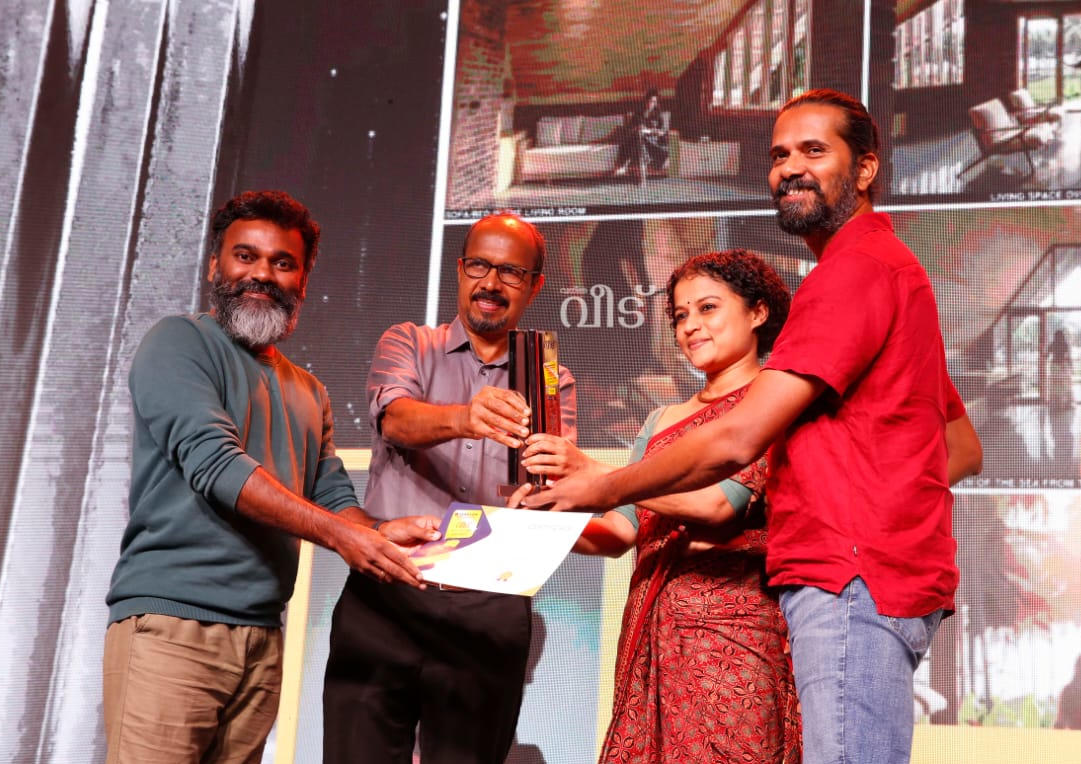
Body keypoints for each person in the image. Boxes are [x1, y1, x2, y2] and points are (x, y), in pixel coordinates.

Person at [525, 89, 984, 764]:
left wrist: (603, 484)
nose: (788, 167)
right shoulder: (881, 274)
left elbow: (736, 443)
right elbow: (959, 447)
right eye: (777, 154)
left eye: (812, 150)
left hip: (840, 584)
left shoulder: (853, 273)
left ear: (863, 169)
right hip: (847, 581)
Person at [103, 190, 439, 764]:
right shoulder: (178, 343)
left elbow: (332, 494)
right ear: (216, 265)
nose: (262, 274)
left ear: (303, 280)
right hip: (172, 628)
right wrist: (343, 537)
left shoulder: (308, 390)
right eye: (245, 256)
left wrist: (377, 534)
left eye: (282, 263)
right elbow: (217, 466)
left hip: (262, 638)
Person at [517, 250, 800, 763]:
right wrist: (544, 515)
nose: (691, 326)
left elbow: (718, 504)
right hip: (652, 635)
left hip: (732, 643)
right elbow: (620, 532)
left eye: (708, 308)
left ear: (758, 313)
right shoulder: (661, 419)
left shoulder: (771, 404)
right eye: (680, 316)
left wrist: (599, 475)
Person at [322, 212, 577, 764]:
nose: (489, 284)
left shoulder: (547, 375)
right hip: (388, 592)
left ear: (535, 285)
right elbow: (395, 420)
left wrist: (540, 497)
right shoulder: (410, 342)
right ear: (460, 270)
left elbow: (545, 490)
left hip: (486, 609)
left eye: (510, 272)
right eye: (479, 266)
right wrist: (468, 417)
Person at [615, 88, 669, 183]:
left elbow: (662, 130)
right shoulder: (639, 112)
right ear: (645, 101)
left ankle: (624, 164)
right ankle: (639, 165)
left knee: (640, 140)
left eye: (653, 101)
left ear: (656, 102)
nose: (650, 104)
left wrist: (656, 131)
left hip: (652, 139)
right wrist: (637, 128)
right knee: (638, 138)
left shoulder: (658, 114)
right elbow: (630, 127)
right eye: (649, 101)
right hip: (639, 138)